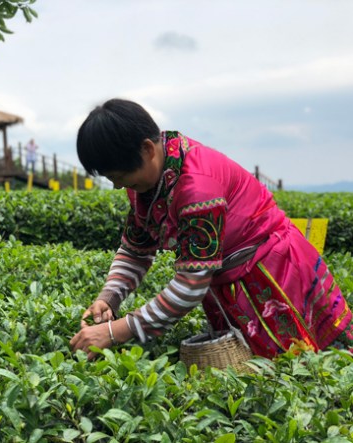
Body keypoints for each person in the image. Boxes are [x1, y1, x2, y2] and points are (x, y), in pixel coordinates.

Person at [70, 98, 352, 360]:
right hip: (230, 285)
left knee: (305, 366)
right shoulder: (148, 182)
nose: (119, 186)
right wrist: (108, 297)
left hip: (274, 276)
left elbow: (191, 285)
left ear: (147, 149)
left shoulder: (197, 188)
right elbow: (136, 249)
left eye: (121, 177)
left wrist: (114, 331)